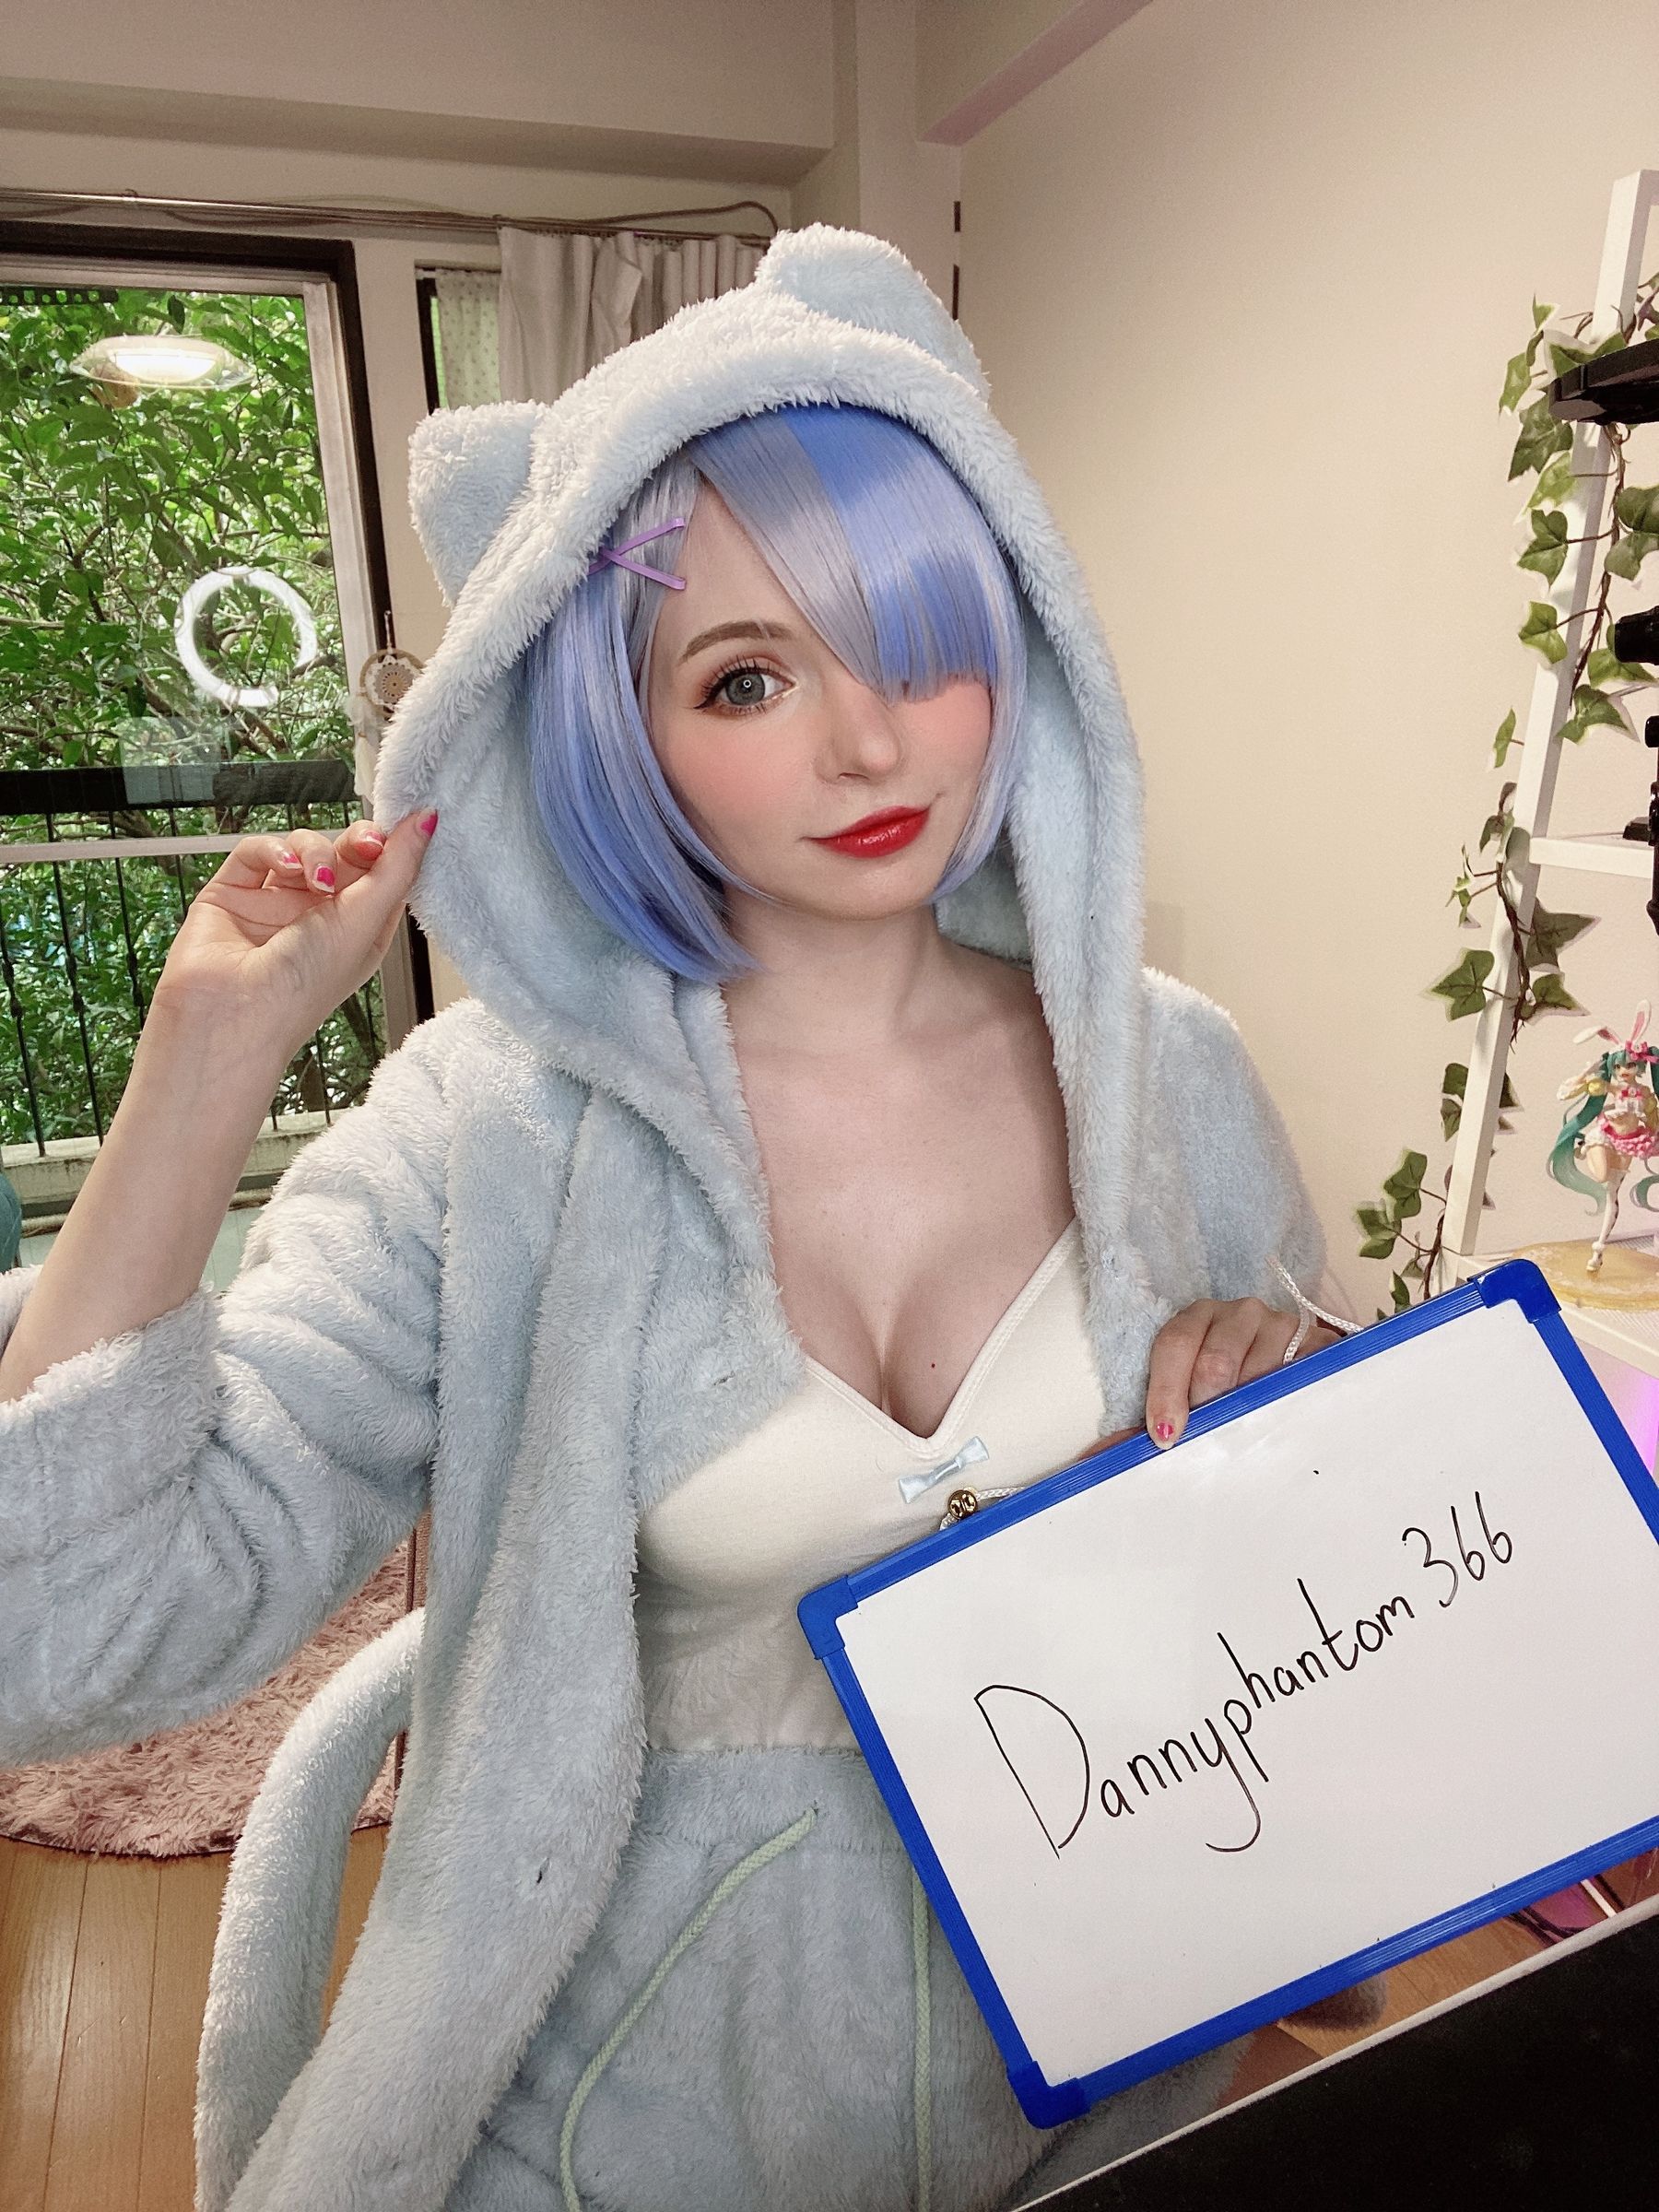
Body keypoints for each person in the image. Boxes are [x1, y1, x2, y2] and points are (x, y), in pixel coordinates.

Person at [0, 227, 1353, 2212]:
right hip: (603, 2134)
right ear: (618, 732)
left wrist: (1300, 1417)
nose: (869, 745)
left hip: (1112, 2096)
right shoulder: (486, 1137)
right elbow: (59, 1636)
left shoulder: (1174, 1079)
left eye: (919, 646)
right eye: (747, 678)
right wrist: (198, 1074)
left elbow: (1322, 1599)